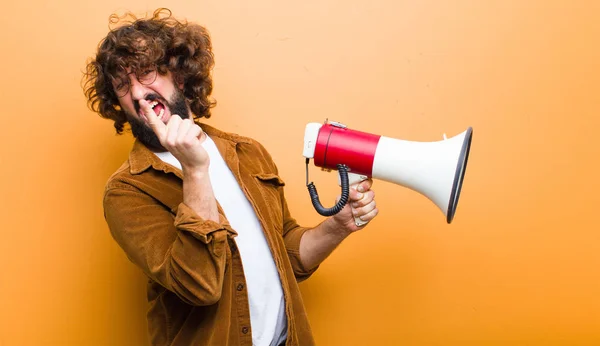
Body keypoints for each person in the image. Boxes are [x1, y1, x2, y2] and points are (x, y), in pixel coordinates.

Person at [83, 8, 378, 346]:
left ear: (179, 74)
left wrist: (337, 226)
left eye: (146, 73)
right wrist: (195, 170)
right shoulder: (127, 191)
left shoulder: (248, 152)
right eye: (122, 86)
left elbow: (287, 259)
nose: (137, 94)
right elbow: (200, 285)